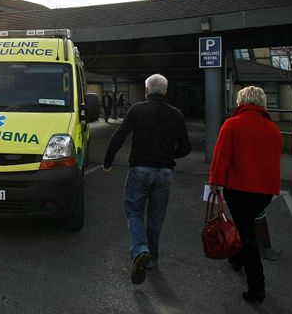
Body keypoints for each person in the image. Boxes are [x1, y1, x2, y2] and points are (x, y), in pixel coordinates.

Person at [103, 74, 191, 285]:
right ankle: (151, 259)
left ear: (146, 91)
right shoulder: (176, 114)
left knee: (134, 211)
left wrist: (108, 161)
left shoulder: (137, 110)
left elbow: (119, 135)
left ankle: (141, 249)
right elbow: (185, 147)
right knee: (156, 217)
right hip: (164, 173)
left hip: (140, 170)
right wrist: (170, 156)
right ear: (165, 92)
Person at [209, 86, 282, 304]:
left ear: (241, 101)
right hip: (264, 192)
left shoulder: (232, 125)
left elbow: (221, 156)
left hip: (238, 189)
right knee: (246, 226)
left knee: (248, 235)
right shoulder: (272, 129)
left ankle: (257, 288)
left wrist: (215, 182)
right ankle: (237, 258)